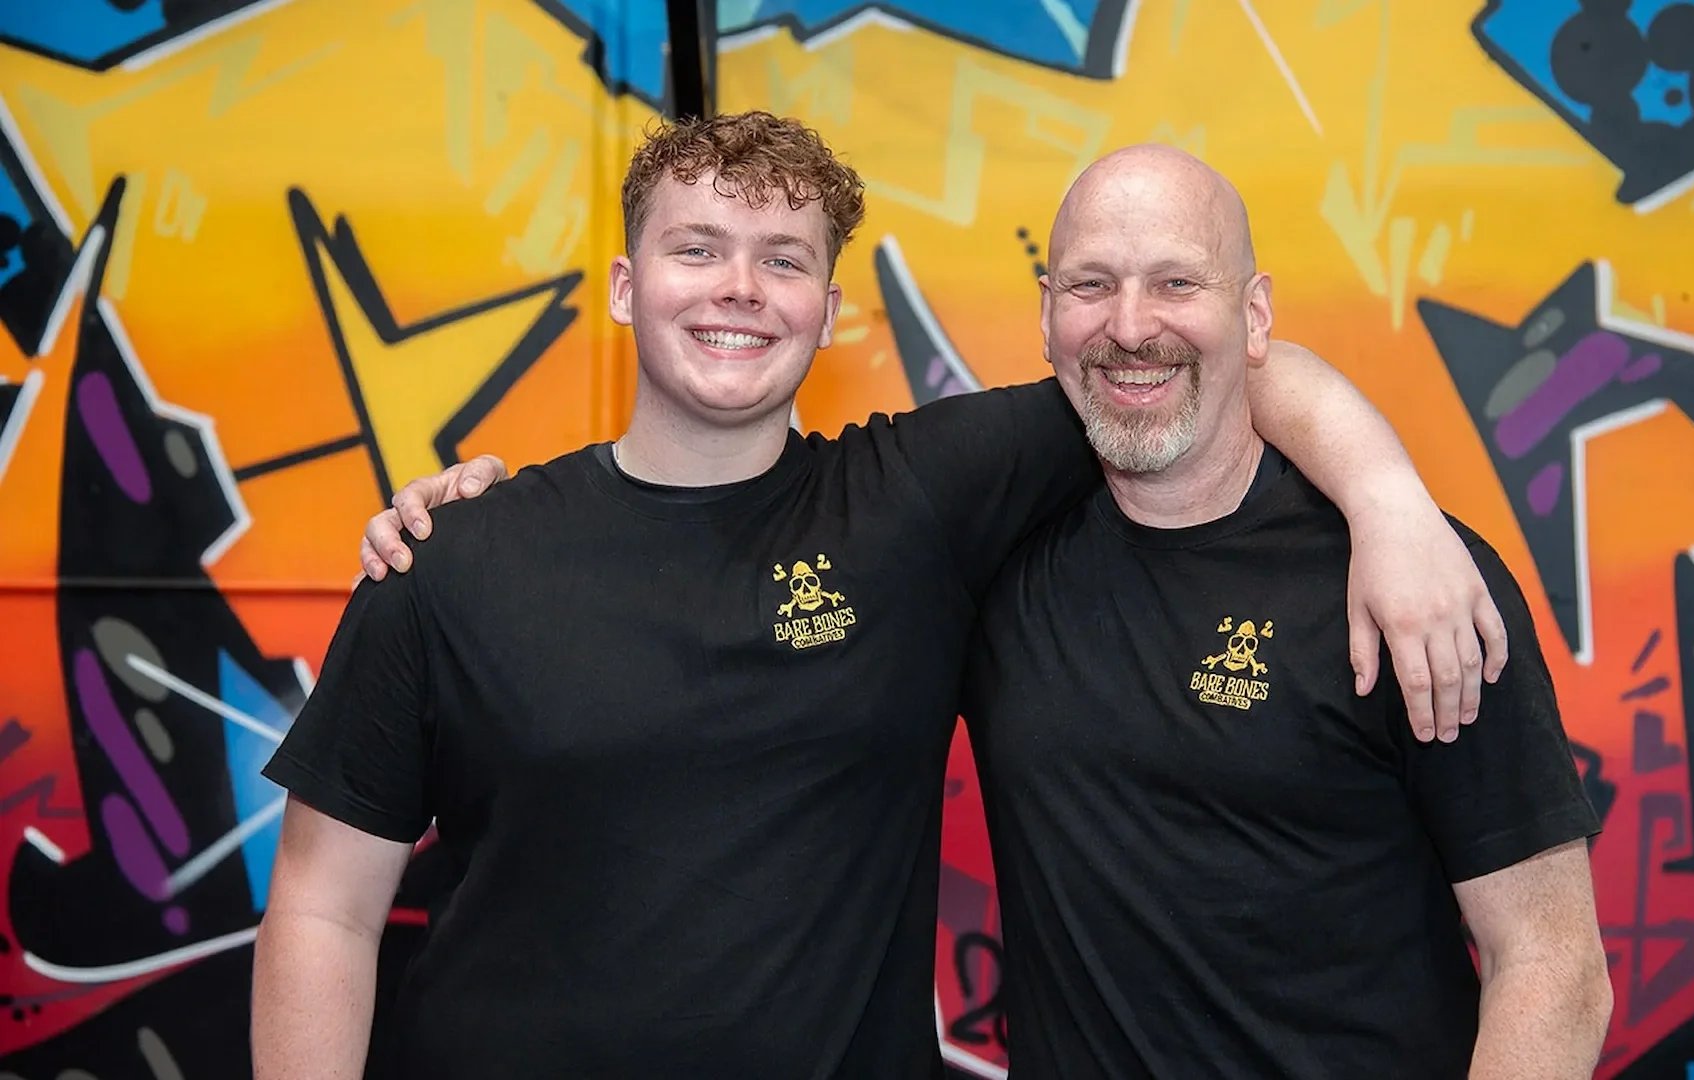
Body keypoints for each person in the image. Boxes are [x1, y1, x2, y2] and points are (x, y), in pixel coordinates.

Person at [269, 112, 1502, 1078]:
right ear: (626, 285)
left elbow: (1182, 360)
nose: (739, 288)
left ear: (828, 308)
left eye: (783, 259)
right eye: (696, 249)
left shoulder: (916, 504)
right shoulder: (452, 559)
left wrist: (1388, 501)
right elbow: (323, 912)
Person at [960, 145, 1612, 1077]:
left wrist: (1386, 497)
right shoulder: (990, 558)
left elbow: (1553, 966)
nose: (1131, 325)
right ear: (1047, 311)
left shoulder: (1413, 583)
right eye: (1091, 284)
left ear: (1254, 313)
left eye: (1178, 281)